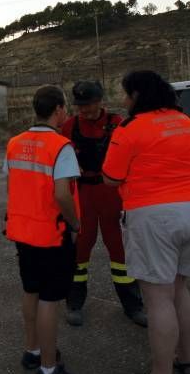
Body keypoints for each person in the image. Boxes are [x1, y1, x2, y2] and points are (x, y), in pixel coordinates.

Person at [102, 70, 190, 374]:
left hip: (155, 217)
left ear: (136, 95)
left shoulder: (131, 129)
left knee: (158, 299)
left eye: (125, 94)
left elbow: (110, 176)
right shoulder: (185, 123)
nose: (123, 101)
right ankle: (187, 360)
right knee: (181, 289)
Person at [3, 85, 88, 374]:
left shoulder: (14, 143)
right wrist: (76, 223)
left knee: (31, 290)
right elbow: (63, 194)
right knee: (50, 300)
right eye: (65, 108)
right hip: (52, 235)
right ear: (58, 110)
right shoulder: (61, 147)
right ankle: (49, 371)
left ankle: (33, 351)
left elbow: (12, 185)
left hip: (22, 232)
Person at [61, 81, 146, 328]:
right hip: (83, 193)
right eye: (79, 106)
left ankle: (133, 305)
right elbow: (60, 157)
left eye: (87, 105)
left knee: (120, 252)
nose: (83, 111)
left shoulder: (117, 124)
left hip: (111, 194)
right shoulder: (69, 126)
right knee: (79, 250)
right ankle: (74, 303)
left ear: (100, 102)